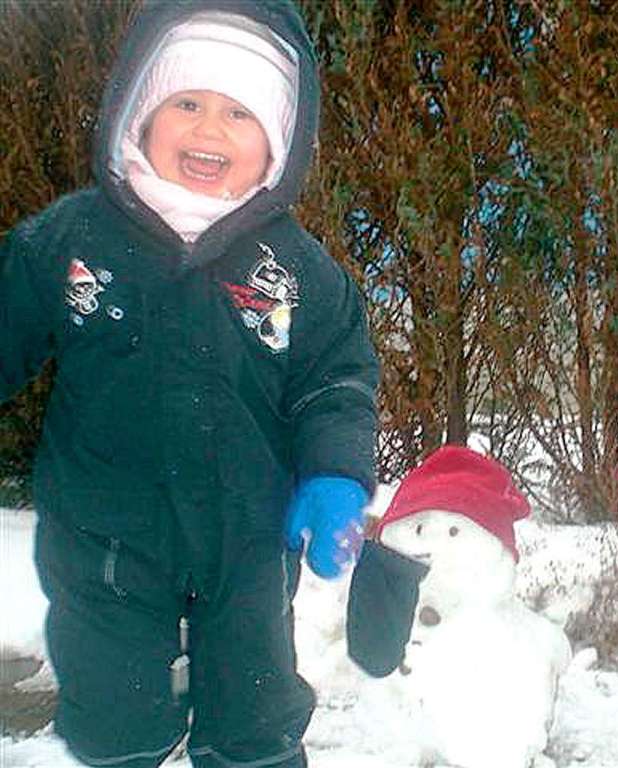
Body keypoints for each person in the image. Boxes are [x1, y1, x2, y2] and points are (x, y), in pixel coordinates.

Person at [0, 1, 379, 766]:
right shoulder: (73, 238)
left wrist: (335, 474)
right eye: (187, 103)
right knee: (112, 719)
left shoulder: (295, 269)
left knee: (255, 713)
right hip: (103, 538)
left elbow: (335, 378)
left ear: (276, 139)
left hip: (246, 540)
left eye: (240, 113)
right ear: (141, 112)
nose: (209, 130)